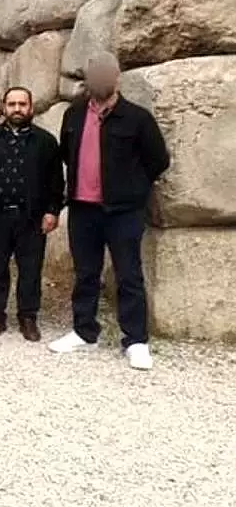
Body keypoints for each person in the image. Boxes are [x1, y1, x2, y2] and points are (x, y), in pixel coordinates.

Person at [49, 51, 170, 370]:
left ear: (116, 78)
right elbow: (66, 153)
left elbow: (158, 160)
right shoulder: (73, 115)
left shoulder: (137, 118)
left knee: (128, 274)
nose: (100, 80)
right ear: (88, 80)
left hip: (123, 211)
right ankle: (84, 330)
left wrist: (133, 189)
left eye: (107, 74)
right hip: (82, 208)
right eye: (95, 75)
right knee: (85, 272)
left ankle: (136, 340)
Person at [0, 87, 64, 342]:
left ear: (30, 108)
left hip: (30, 218)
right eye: (12, 104)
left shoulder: (46, 141)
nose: (17, 109)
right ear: (4, 107)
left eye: (22, 104)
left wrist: (52, 211)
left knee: (30, 269)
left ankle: (28, 316)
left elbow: (56, 181)